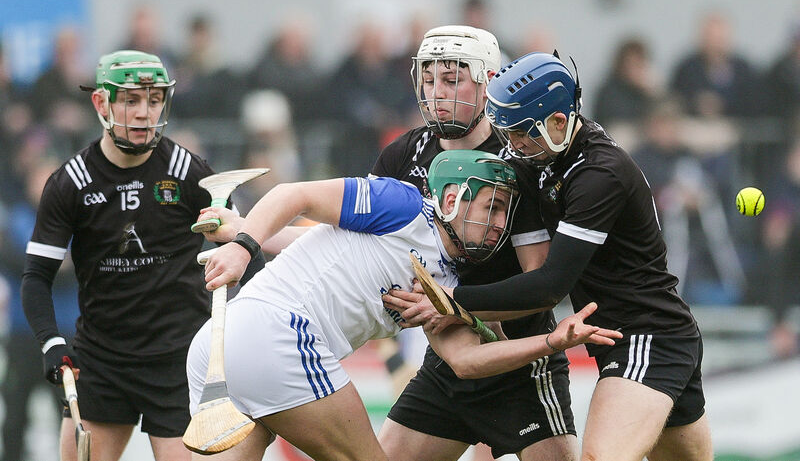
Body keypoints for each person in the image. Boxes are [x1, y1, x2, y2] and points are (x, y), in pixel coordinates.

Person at [187, 149, 621, 461]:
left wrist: (551, 341)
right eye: (492, 207)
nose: (498, 226)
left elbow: (467, 361)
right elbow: (293, 194)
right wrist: (245, 244)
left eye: (506, 214)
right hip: (278, 336)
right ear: (451, 199)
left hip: (221, 344)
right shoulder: (405, 205)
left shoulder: (448, 285)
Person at [383, 52, 713, 461]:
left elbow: (548, 287)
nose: (514, 145)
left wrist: (451, 302)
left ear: (558, 121)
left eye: (522, 133)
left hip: (647, 336)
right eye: (508, 133)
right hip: (617, 338)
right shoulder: (544, 154)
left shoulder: (598, 175)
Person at [20, 50, 264, 461]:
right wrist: (51, 342)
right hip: (101, 363)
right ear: (101, 103)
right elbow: (36, 277)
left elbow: (248, 251)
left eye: (153, 101)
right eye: (130, 100)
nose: (143, 113)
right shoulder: (70, 183)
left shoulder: (189, 172)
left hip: (179, 362)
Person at [372, 25, 579, 461]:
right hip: (448, 361)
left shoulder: (520, 156)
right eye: (429, 80)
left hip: (518, 362)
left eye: (452, 79)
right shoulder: (401, 156)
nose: (437, 93)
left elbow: (539, 280)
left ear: (487, 80)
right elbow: (364, 244)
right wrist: (257, 236)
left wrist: (457, 304)